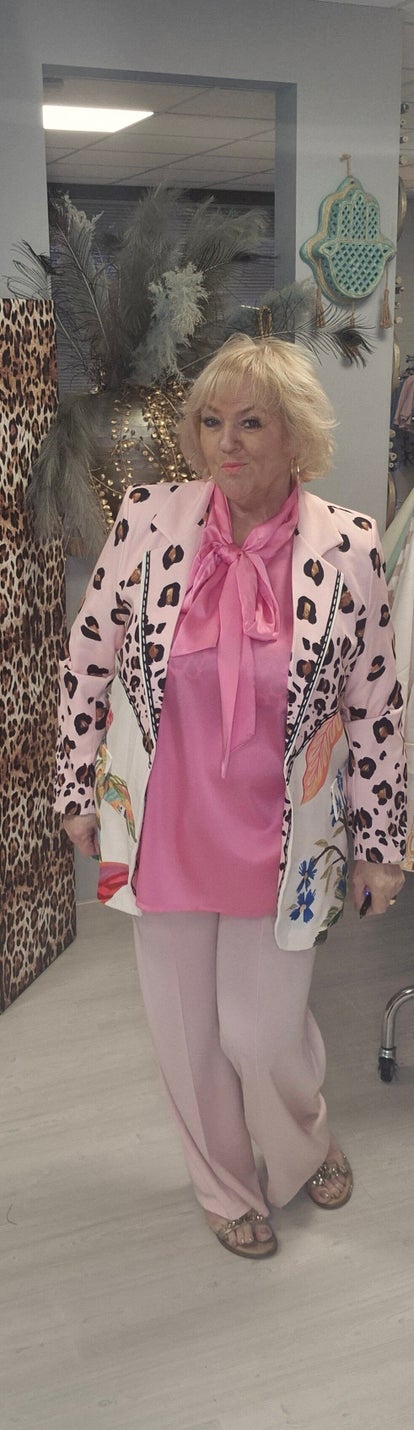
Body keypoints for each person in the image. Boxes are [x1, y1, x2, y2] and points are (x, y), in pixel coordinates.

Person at [56, 335, 406, 1261]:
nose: (226, 443)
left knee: (261, 1033)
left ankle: (302, 1139)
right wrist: (75, 784)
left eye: (251, 422)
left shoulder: (350, 545)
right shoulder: (148, 519)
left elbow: (376, 706)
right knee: (187, 1035)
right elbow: (87, 658)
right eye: (211, 422)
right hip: (163, 827)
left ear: (297, 435)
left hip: (282, 838)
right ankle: (221, 1183)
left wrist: (382, 844)